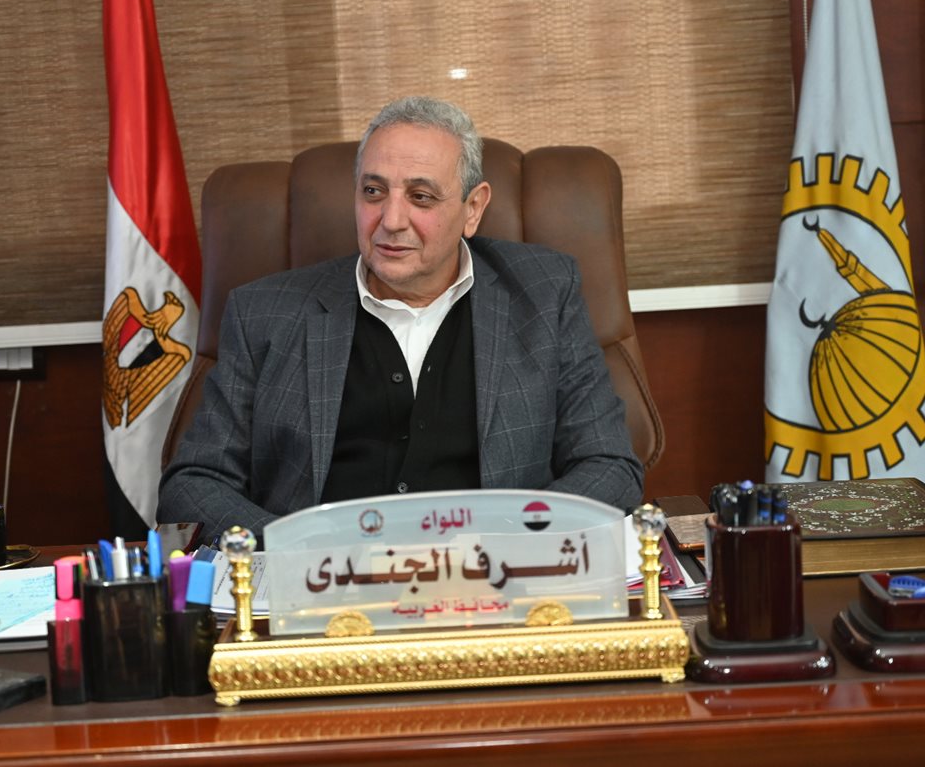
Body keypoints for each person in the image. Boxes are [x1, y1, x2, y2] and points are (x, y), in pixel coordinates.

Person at [159, 97, 642, 542]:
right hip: (325, 587)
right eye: (373, 191)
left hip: (493, 583)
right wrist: (296, 551)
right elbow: (192, 485)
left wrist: (514, 542)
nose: (391, 220)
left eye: (421, 196)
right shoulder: (265, 313)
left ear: (473, 209)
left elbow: (610, 466)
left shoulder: (542, 294)